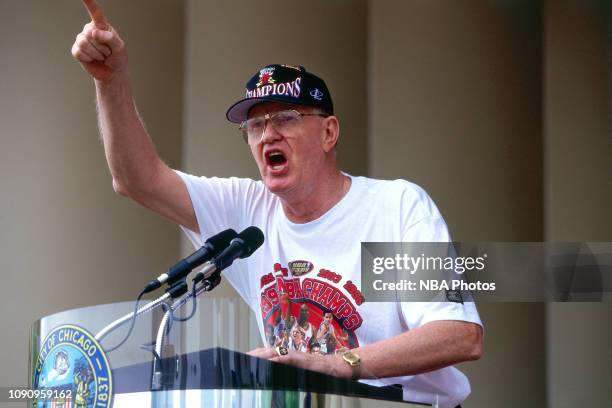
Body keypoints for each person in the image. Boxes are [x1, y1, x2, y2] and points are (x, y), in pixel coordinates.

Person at [71, 1, 483, 407]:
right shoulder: (248, 213)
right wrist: (111, 80)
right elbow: (136, 180)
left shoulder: (395, 207)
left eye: (285, 118)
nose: (267, 135)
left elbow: (457, 333)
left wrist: (341, 363)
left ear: (328, 132)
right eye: (254, 126)